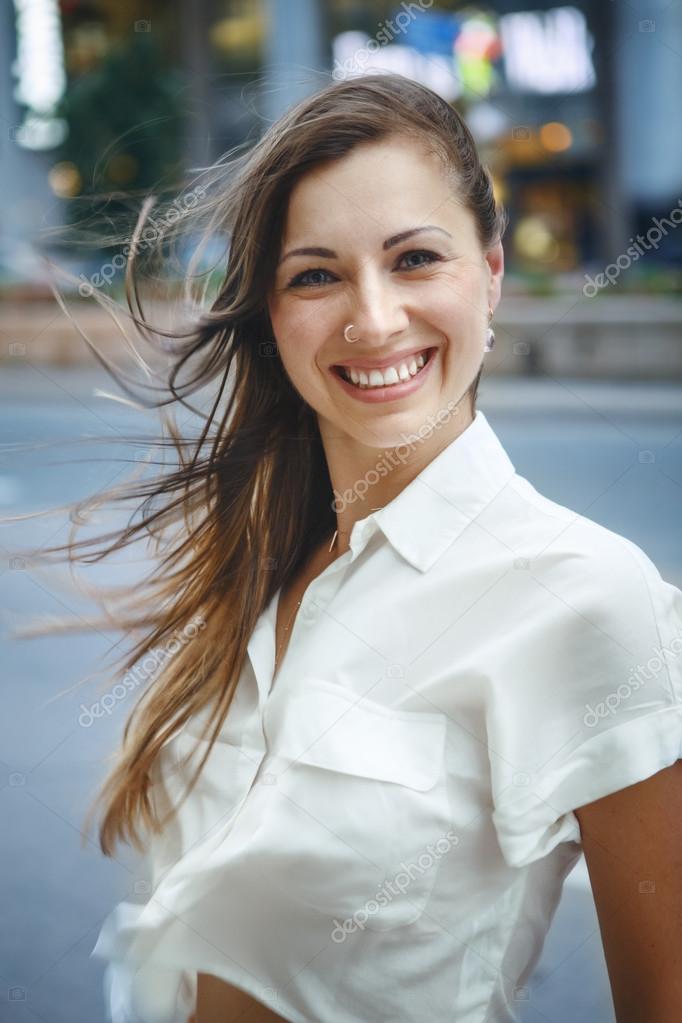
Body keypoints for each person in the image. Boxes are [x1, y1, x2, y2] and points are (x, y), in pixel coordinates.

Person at [45, 73, 680, 1022]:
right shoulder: (263, 561)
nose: (373, 318)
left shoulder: (590, 596)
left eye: (416, 258)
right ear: (271, 311)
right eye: (316, 273)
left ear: (492, 274)